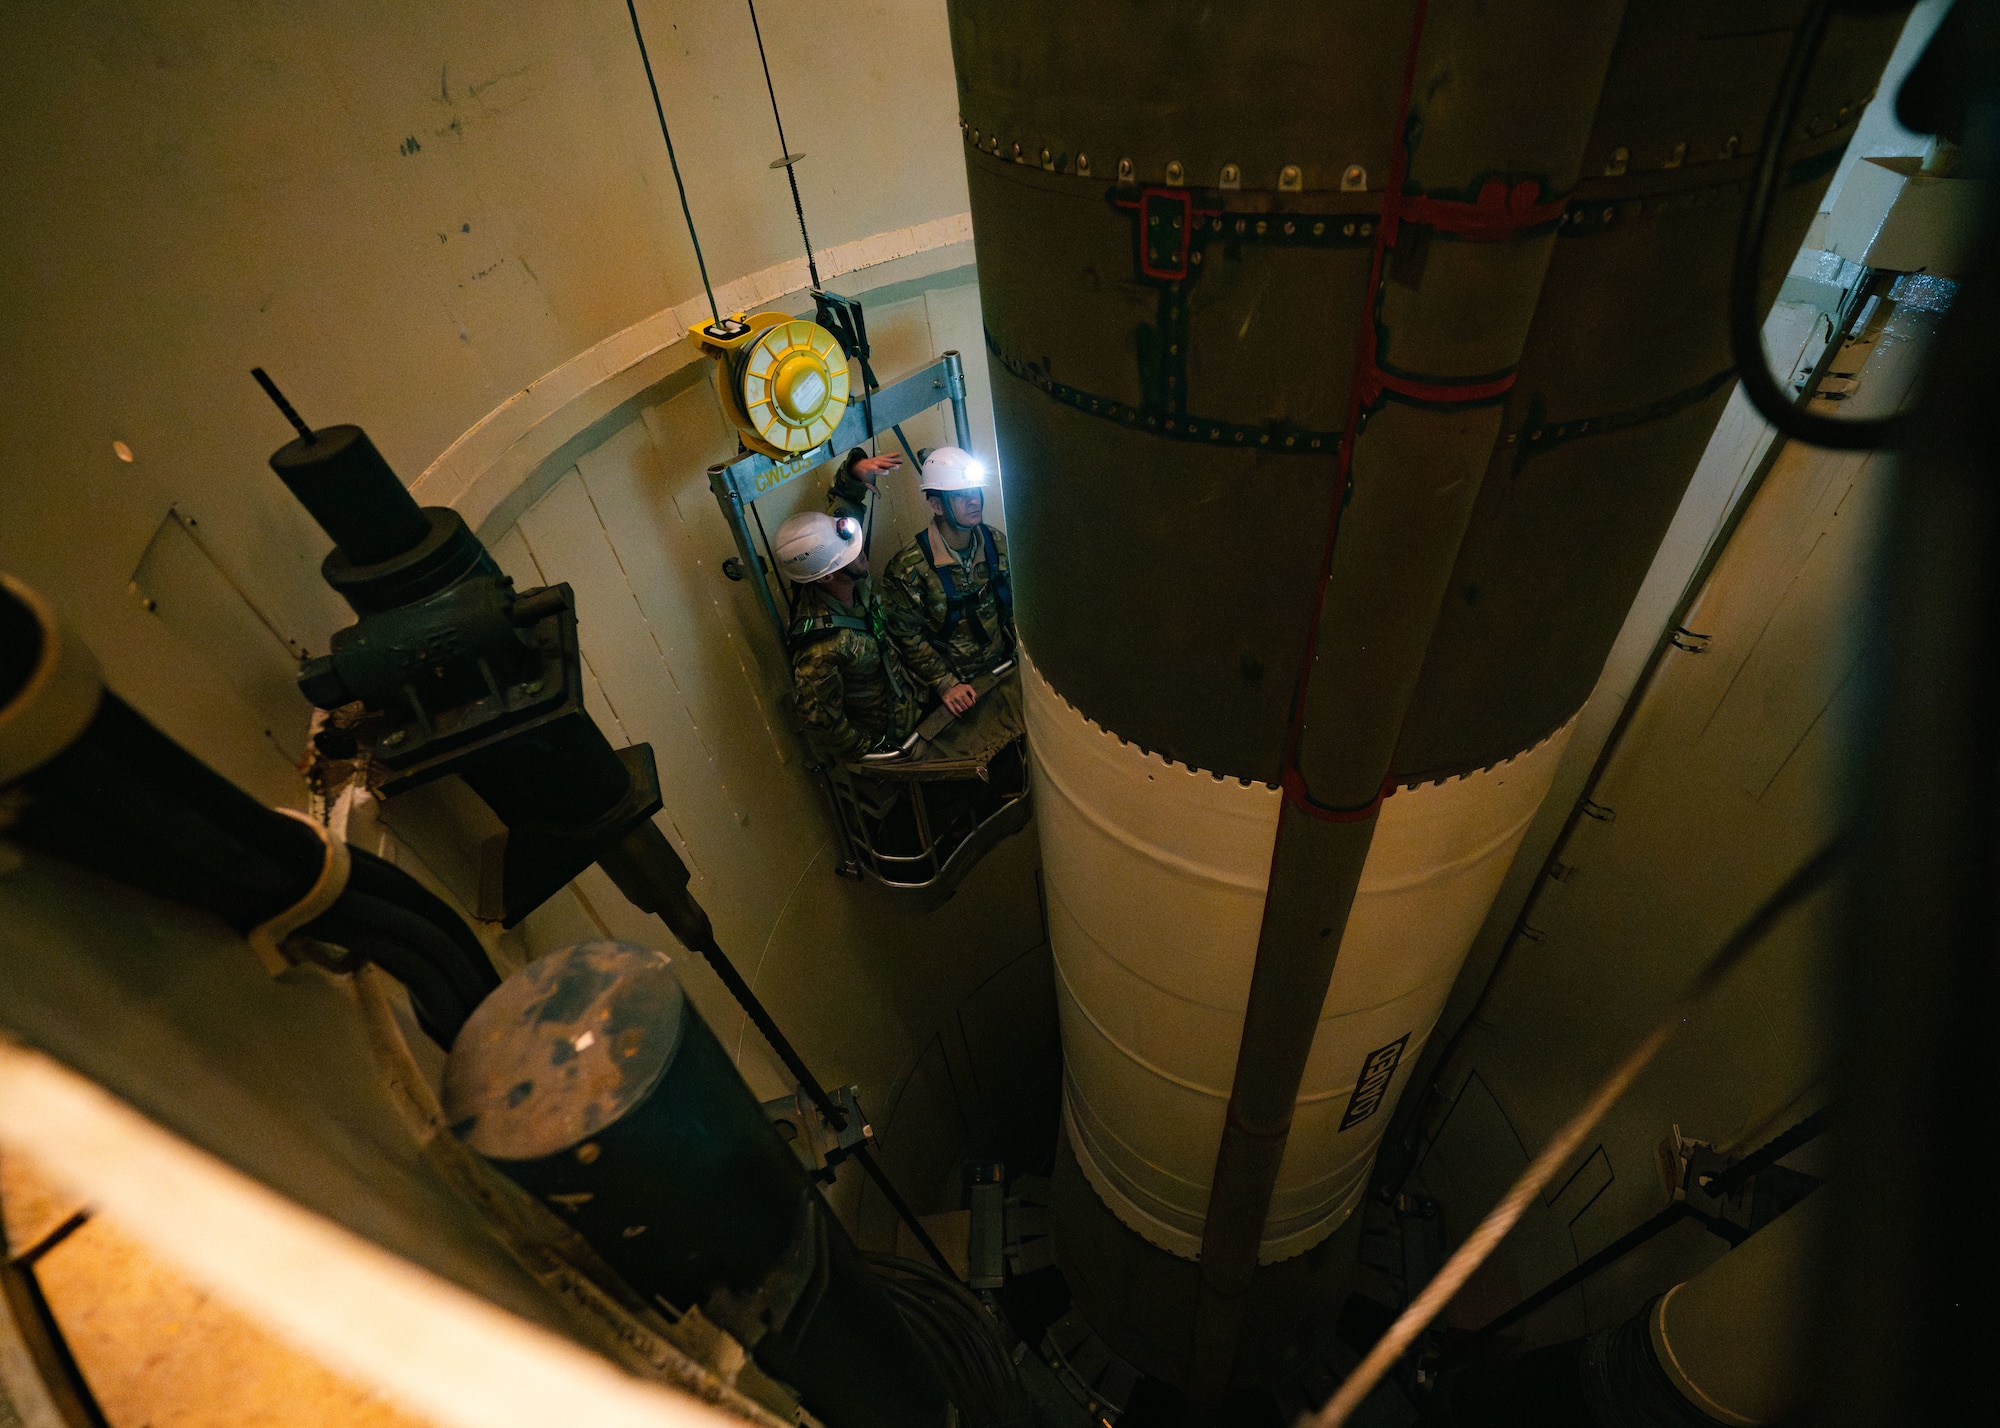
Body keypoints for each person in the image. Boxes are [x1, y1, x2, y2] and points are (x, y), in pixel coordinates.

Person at [774, 509, 923, 763]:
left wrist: (855, 473)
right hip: (891, 746)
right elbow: (822, 723)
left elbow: (845, 508)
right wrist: (875, 752)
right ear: (827, 576)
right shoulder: (820, 648)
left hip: (911, 714)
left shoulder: (850, 584)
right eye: (849, 553)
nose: (859, 550)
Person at [878, 448, 1013, 717]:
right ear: (937, 505)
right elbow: (907, 636)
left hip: (1001, 666)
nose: (974, 500)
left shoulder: (994, 542)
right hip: (953, 687)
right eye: (960, 495)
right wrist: (944, 683)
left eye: (975, 490)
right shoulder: (908, 569)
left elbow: (1012, 601)